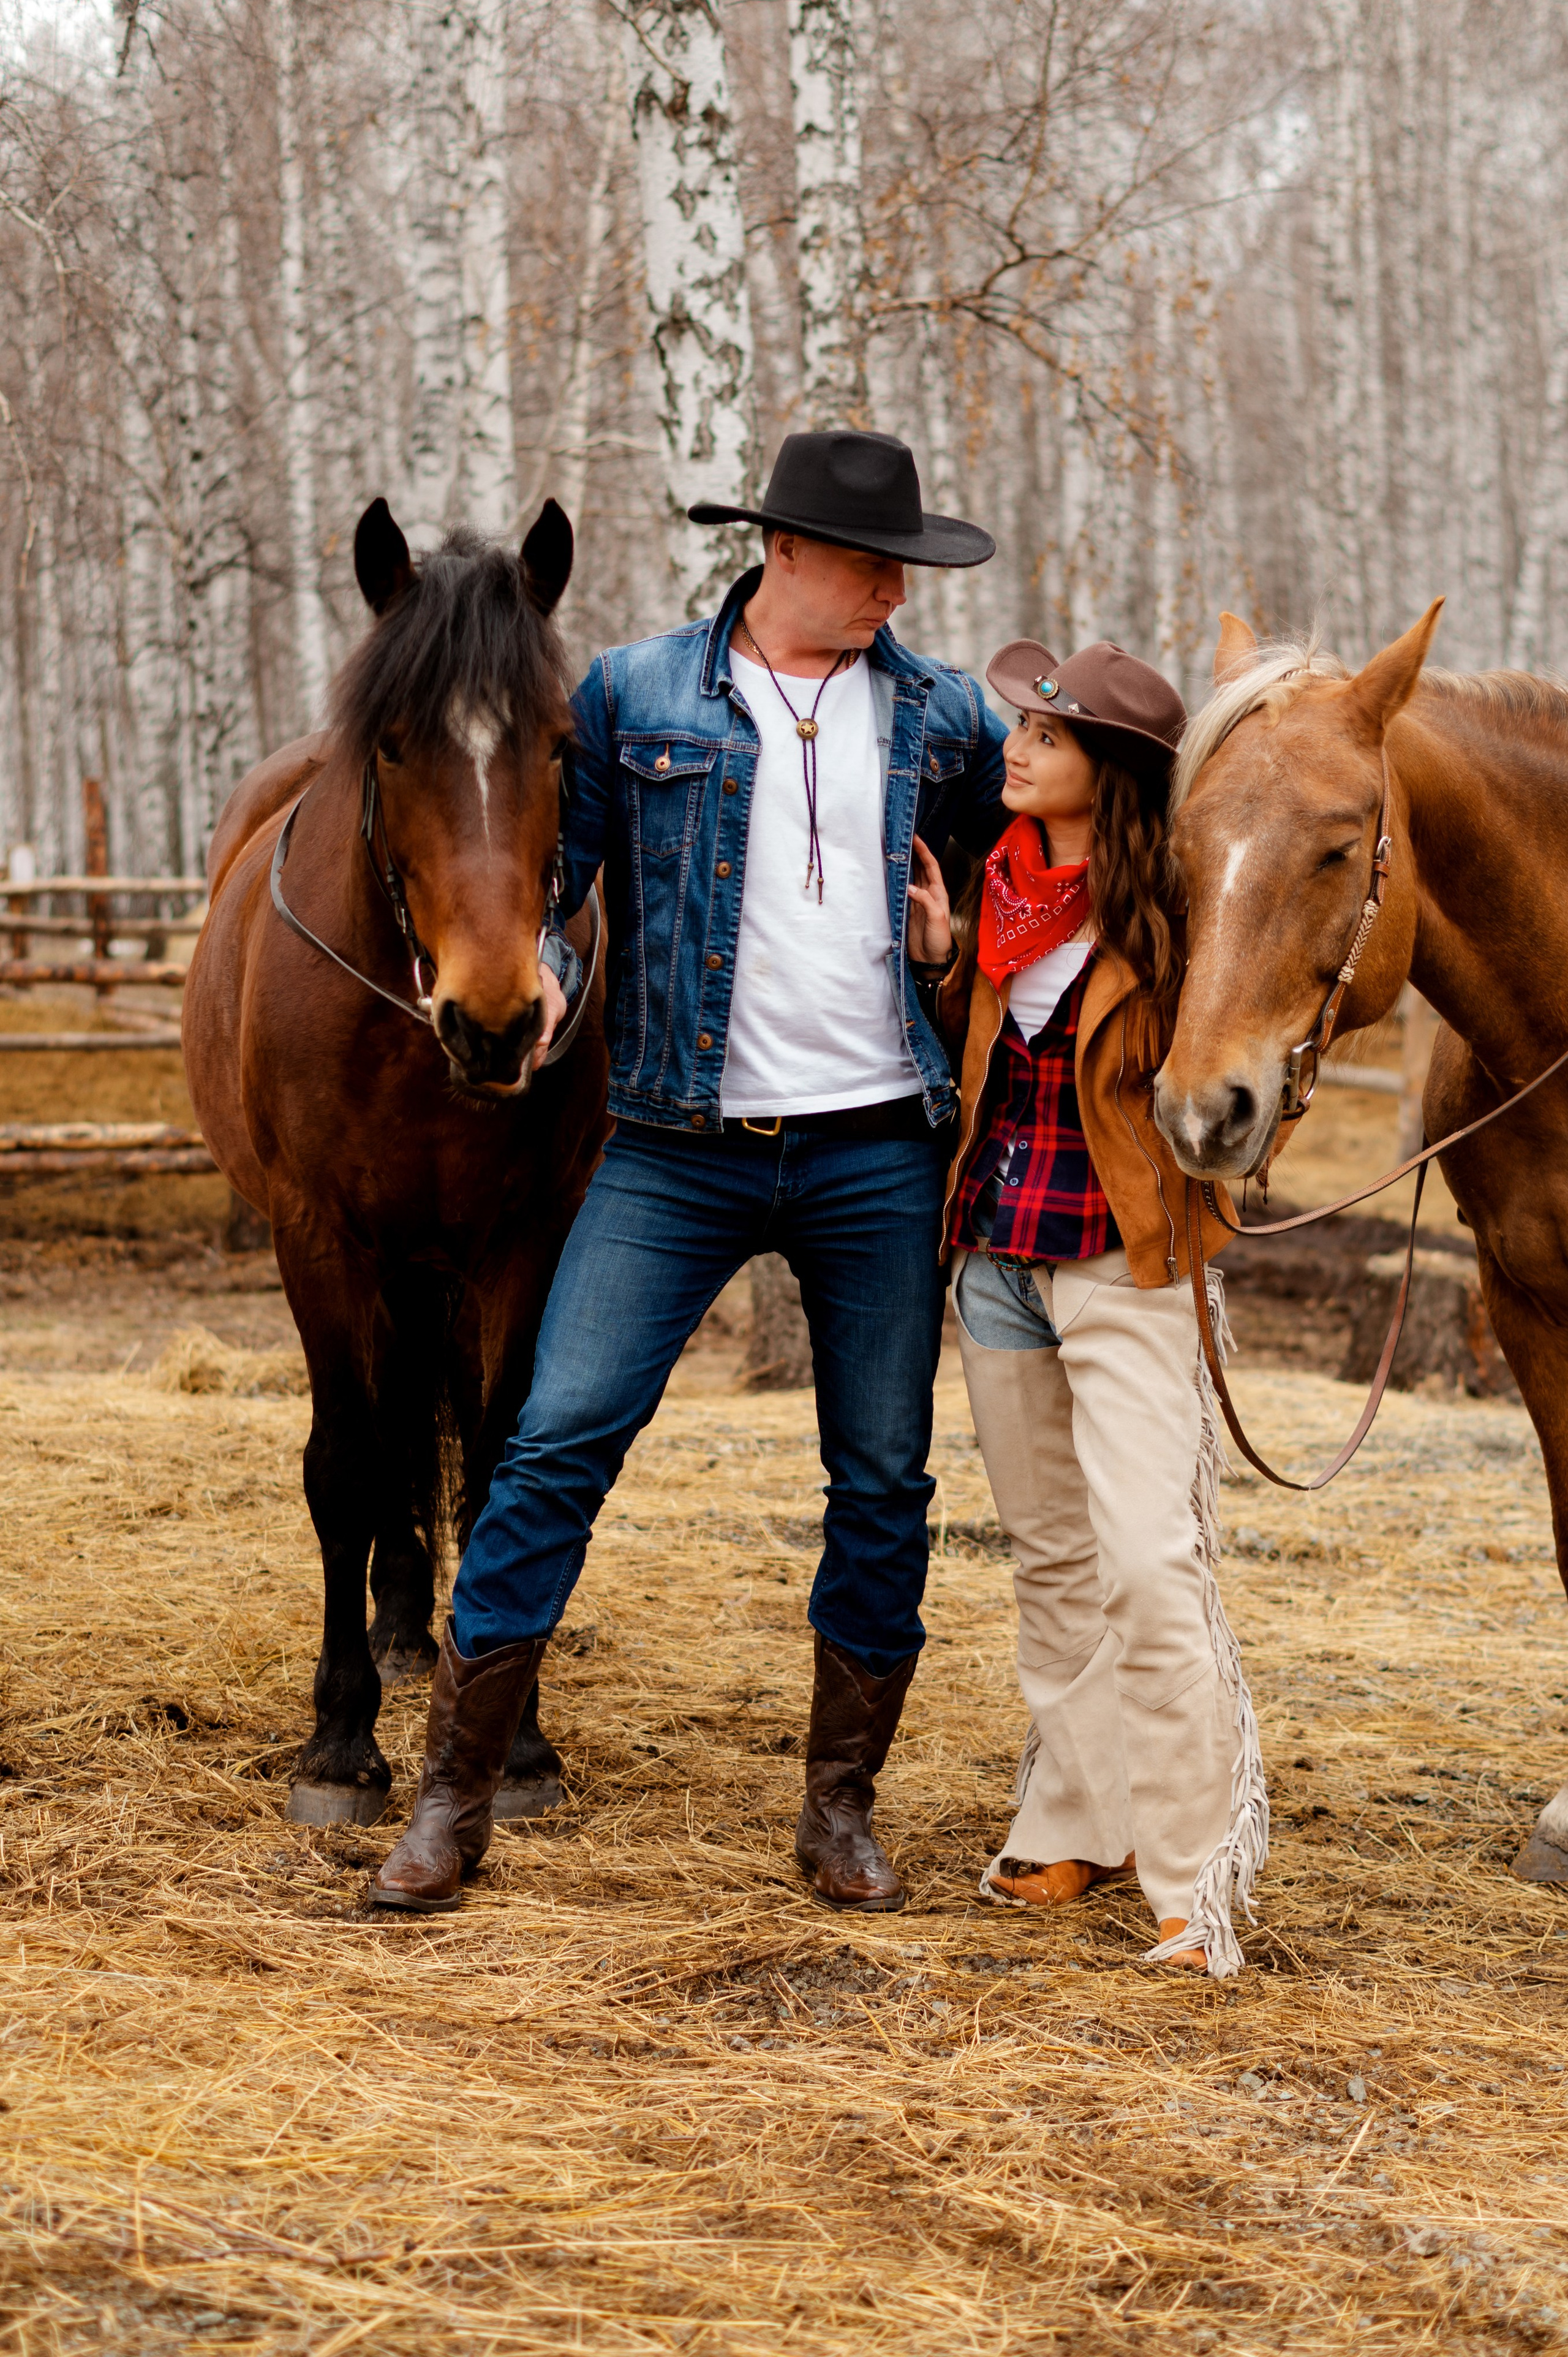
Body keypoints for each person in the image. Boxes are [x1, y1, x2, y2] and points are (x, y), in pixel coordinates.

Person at [371, 430, 1008, 1920]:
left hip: (876, 1151)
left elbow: (1045, 855)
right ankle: (451, 1802)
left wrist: (958, 939)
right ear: (781, 553)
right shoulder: (632, 694)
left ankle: (837, 1808)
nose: (888, 595)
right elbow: (551, 869)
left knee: (882, 1480)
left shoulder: (946, 717)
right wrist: (522, 981)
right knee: (551, 1447)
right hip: (674, 1146)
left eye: (901, 572)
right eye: (866, 567)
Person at [925, 638, 1268, 1977]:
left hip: (1124, 1257)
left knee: (1147, 1559)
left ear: (1107, 778)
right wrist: (942, 958)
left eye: (1046, 736)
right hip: (995, 1255)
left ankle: (1194, 1872)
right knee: (1052, 1561)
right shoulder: (990, 891)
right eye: (1020, 724)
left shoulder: (1178, 920)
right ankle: (1079, 1817)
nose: (1014, 745)